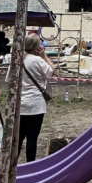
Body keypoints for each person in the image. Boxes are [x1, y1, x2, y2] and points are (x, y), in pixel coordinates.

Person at [19, 33, 54, 162]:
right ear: (37, 47)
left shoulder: (17, 59)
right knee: (32, 138)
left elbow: (9, 80)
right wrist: (44, 55)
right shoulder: (38, 60)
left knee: (19, 137)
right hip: (36, 104)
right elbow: (51, 71)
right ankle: (30, 165)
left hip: (20, 104)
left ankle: (12, 165)